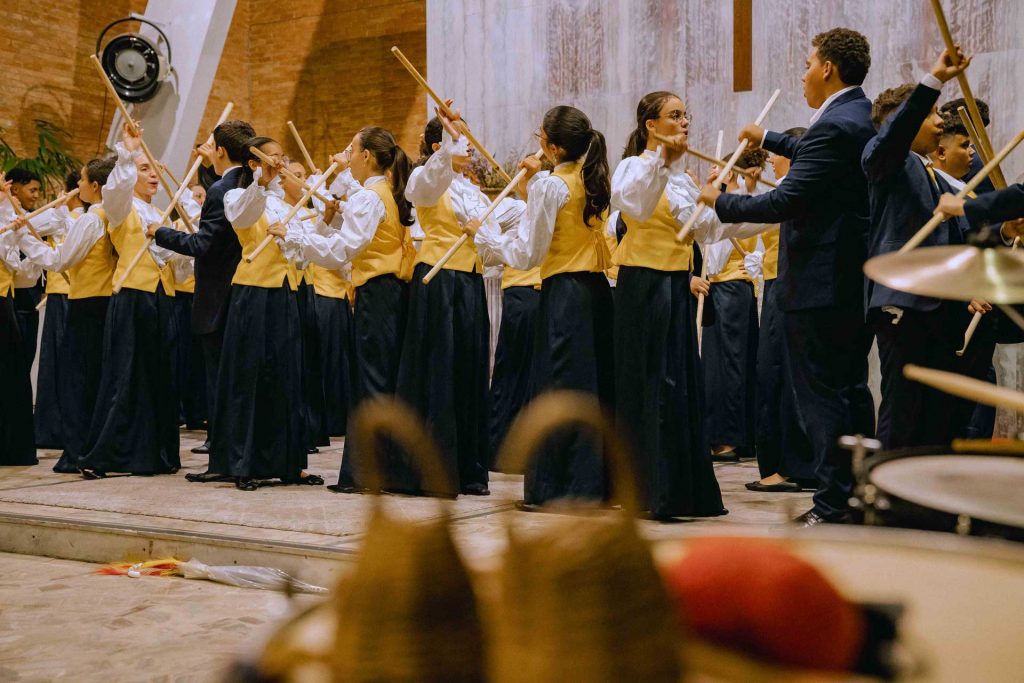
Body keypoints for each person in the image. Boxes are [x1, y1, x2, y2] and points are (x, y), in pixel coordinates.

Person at [700, 27, 877, 525]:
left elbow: (785, 200)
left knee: (822, 401)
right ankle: (858, 493)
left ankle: (832, 504)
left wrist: (721, 201)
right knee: (850, 393)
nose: (801, 75)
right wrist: (770, 138)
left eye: (806, 64)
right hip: (848, 284)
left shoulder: (833, 126)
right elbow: (818, 157)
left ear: (827, 68)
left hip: (819, 286)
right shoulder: (858, 115)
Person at [611, 90, 767, 518]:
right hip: (641, 287)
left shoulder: (683, 180)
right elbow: (637, 205)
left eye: (686, 115)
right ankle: (647, 491)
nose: (684, 123)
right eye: (675, 116)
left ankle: (680, 491)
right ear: (651, 126)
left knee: (678, 384)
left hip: (675, 287)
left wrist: (780, 206)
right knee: (649, 385)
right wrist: (663, 161)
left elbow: (713, 230)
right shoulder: (632, 167)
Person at [467, 105, 614, 508]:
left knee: (558, 389)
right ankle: (595, 484)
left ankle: (561, 487)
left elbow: (529, 252)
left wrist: (484, 239)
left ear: (551, 146)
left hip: (564, 294)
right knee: (592, 389)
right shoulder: (594, 176)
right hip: (596, 292)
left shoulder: (552, 185)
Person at [273, 126, 415, 493]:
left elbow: (344, 249)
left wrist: (297, 236)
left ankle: (367, 474)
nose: (347, 157)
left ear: (366, 155)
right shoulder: (388, 190)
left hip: (377, 295)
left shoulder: (370, 196)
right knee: (383, 381)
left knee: (370, 383)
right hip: (392, 293)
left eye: (351, 150)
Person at [862, 47, 975, 449]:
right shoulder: (885, 158)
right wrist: (934, 82)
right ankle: (890, 503)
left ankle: (925, 505)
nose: (940, 120)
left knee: (937, 415)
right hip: (904, 305)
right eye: (932, 115)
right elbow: (894, 137)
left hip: (942, 309)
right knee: (903, 409)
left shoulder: (938, 179)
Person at [210, 137, 319, 490]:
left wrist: (292, 239)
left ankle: (288, 462)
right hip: (252, 294)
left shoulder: (289, 204)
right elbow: (242, 216)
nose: (280, 163)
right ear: (255, 162)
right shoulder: (237, 195)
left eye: (282, 158)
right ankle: (243, 463)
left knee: (286, 377)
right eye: (273, 157)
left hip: (285, 293)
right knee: (249, 377)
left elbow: (302, 255)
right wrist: (259, 182)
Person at [396, 111, 494, 496]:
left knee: (469, 370)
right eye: (459, 137)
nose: (468, 143)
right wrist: (444, 150)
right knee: (439, 371)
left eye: (468, 136)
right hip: (437, 282)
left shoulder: (471, 189)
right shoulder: (426, 177)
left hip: (469, 282)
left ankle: (468, 468)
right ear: (439, 146)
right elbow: (423, 192)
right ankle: (434, 471)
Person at [78, 121, 182, 478]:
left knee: (159, 377)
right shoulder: (124, 207)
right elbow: (116, 191)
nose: (152, 175)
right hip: (132, 297)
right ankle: (102, 455)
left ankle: (153, 453)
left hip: (162, 298)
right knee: (125, 376)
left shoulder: (160, 213)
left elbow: (179, 262)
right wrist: (128, 151)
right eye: (144, 169)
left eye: (154, 169)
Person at [154, 119, 255, 470]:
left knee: (220, 382)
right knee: (239, 380)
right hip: (247, 295)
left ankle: (223, 456)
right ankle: (238, 450)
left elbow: (202, 244)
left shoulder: (220, 192)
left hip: (217, 298)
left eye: (212, 146)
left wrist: (160, 232)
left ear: (222, 151)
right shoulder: (252, 184)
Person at [14, 158, 117, 472]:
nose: (77, 187)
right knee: (94, 382)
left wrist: (23, 238)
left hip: (87, 307)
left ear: (95, 186)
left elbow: (58, 260)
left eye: (82, 180)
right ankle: (88, 449)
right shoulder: (110, 214)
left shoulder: (92, 218)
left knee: (77, 382)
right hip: (104, 304)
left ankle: (77, 453)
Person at [748, 128, 817, 493]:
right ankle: (779, 464)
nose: (771, 160)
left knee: (782, 373)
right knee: (771, 374)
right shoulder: (785, 190)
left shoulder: (797, 189)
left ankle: (791, 467)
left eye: (775, 154)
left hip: (789, 286)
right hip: (777, 284)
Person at [31, 171, 81, 449]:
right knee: (56, 363)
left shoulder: (91, 218)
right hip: (60, 294)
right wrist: (59, 208)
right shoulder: (59, 215)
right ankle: (51, 427)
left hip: (81, 295)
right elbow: (29, 226)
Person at [0, 175, 40, 465]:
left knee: (12, 372)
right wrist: (12, 234)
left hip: (6, 296)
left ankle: (12, 446)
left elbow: (11, 259)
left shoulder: (6, 208)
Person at [6, 167, 45, 369]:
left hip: (30, 294)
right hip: (10, 294)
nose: (36, 196)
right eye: (32, 190)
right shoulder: (7, 217)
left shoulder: (33, 218)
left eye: (38, 190)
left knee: (26, 355)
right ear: (14, 189)